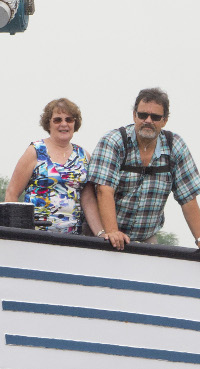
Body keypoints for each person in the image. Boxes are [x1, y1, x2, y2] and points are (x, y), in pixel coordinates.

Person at [88, 87, 200, 250]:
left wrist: (199, 238)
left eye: (155, 117)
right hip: (103, 236)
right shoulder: (113, 141)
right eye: (142, 115)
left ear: (165, 120)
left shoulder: (175, 146)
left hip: (146, 239)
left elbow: (188, 198)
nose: (148, 120)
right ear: (134, 115)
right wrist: (112, 232)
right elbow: (103, 190)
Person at [5, 98, 106, 237]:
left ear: (75, 123)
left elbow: (88, 200)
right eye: (57, 120)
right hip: (34, 236)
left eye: (69, 119)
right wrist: (15, 234)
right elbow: (12, 193)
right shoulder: (35, 151)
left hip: (72, 239)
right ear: (48, 124)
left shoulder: (84, 156)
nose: (63, 124)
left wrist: (101, 234)